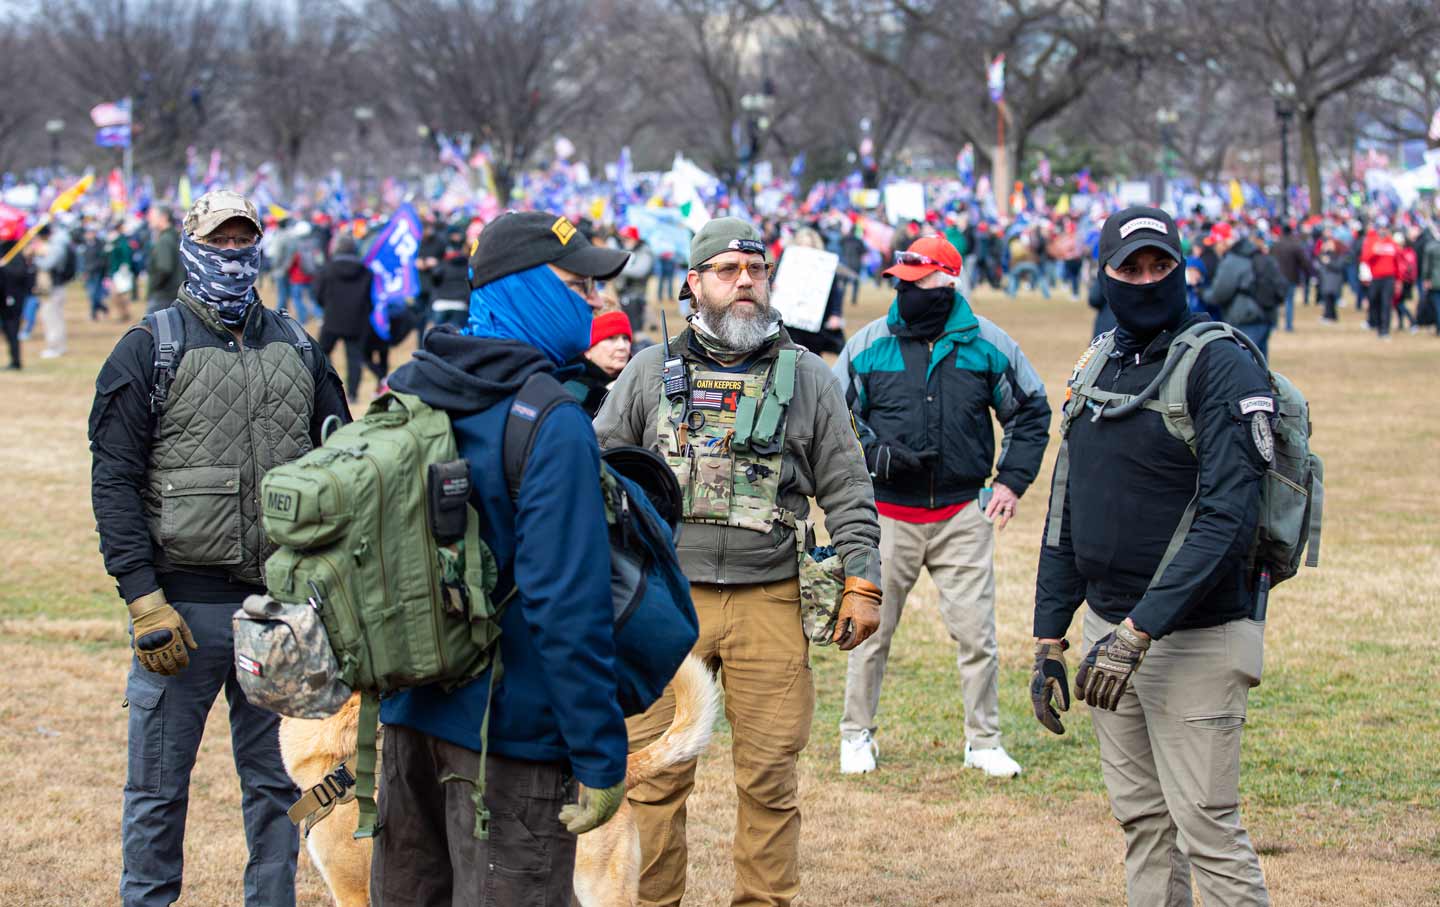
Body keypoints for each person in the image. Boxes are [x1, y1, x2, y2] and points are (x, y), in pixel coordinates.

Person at [594, 217, 883, 907]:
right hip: (665, 603)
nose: (744, 282)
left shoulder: (808, 376)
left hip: (770, 598)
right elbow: (593, 470)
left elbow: (847, 484)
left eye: (754, 269)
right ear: (694, 283)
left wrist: (862, 578)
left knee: (769, 776)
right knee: (654, 780)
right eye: (726, 270)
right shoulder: (644, 371)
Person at [88, 189, 350, 907]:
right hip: (181, 610)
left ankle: (277, 895)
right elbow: (112, 479)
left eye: (245, 243)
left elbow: (344, 463)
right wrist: (143, 598)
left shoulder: (299, 346)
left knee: (294, 788)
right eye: (219, 243)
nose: (234, 258)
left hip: (284, 615)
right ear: (191, 247)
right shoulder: (148, 348)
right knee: (157, 785)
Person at [372, 211, 633, 906]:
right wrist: (601, 755)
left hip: (408, 721)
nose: (597, 303)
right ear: (524, 289)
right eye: (579, 285)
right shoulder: (551, 421)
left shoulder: (409, 384)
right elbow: (567, 606)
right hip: (512, 742)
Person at [1032, 205, 1273, 907]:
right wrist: (1049, 634)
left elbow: (1230, 515)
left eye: (1159, 265)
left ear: (1182, 266)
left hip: (1196, 634)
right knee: (1143, 824)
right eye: (1128, 268)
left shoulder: (1220, 361)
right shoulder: (1102, 358)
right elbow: (1067, 505)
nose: (1145, 279)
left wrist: (1141, 630)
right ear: (1103, 274)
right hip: (1111, 631)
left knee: (1207, 829)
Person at [832, 234, 1050, 779]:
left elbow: (1032, 410)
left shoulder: (986, 344)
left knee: (978, 637)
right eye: (901, 283)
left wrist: (1011, 482)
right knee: (869, 633)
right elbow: (831, 417)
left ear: (949, 282)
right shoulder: (867, 344)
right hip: (887, 517)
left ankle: (984, 742)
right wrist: (873, 451)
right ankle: (856, 735)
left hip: (962, 514)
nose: (907, 292)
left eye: (918, 283)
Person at [312, 235, 375, 402]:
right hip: (356, 321)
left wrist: (328, 306)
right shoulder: (366, 272)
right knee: (354, 359)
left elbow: (318, 294)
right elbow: (371, 298)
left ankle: (328, 389)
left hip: (332, 318)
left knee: (322, 354)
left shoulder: (327, 269)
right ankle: (353, 394)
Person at [1204, 222, 1273, 359]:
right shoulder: (1251, 253)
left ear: (1222, 243)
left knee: (1245, 367)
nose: (1214, 249)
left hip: (1245, 319)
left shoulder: (1232, 260)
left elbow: (1219, 294)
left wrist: (1202, 293)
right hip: (1264, 314)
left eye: (1215, 244)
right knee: (1261, 368)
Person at [780, 227, 847, 354]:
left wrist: (836, 314)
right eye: (802, 245)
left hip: (814, 324)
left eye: (809, 245)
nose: (805, 249)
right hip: (789, 323)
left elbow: (835, 293)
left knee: (812, 358)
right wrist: (774, 288)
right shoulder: (786, 264)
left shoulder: (825, 267)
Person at [564, 308, 632, 416]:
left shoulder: (641, 378)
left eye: (625, 338)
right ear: (587, 350)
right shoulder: (572, 390)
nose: (622, 346)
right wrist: (605, 397)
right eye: (611, 338)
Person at [1359, 223, 1400, 339]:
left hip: (1389, 278)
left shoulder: (1392, 244)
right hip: (1376, 277)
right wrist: (1374, 250)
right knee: (1374, 301)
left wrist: (1398, 279)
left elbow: (1397, 262)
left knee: (1386, 304)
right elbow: (1365, 258)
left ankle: (1385, 330)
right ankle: (1377, 325)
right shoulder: (1372, 242)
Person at [36, 225, 71, 359]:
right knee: (53, 317)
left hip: (54, 288)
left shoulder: (56, 246)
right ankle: (57, 346)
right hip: (55, 287)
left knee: (52, 317)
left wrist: (36, 258)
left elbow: (47, 264)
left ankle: (55, 347)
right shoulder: (57, 244)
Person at [613, 224, 655, 334]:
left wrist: (618, 268)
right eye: (623, 239)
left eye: (628, 238)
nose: (625, 241)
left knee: (636, 329)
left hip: (637, 295)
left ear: (635, 239)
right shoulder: (626, 251)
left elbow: (640, 271)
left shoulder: (644, 251)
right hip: (623, 294)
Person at [427, 229, 471, 331]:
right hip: (460, 304)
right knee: (458, 339)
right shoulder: (467, 266)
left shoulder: (442, 265)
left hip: (441, 304)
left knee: (439, 338)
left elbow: (434, 280)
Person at [1271, 224, 1311, 333]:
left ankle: (1274, 325)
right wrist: (1308, 273)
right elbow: (1304, 262)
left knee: (1276, 302)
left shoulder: (1276, 245)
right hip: (1291, 276)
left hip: (1276, 277)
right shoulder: (1295, 245)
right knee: (1289, 301)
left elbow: (1270, 260)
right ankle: (1288, 326)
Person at [144, 206, 183, 315]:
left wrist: (153, 286)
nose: (149, 219)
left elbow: (164, 268)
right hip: (174, 294)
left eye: (152, 216)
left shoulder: (165, 240)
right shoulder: (175, 237)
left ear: (164, 217)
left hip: (163, 296)